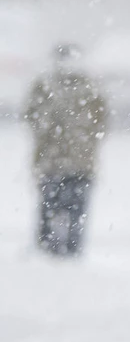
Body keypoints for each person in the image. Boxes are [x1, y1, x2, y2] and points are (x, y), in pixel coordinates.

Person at [23, 43, 108, 257]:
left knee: (55, 208)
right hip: (69, 162)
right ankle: (62, 249)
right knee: (66, 209)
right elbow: (101, 123)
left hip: (59, 162)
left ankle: (57, 249)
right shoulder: (86, 88)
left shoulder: (51, 87)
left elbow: (31, 117)